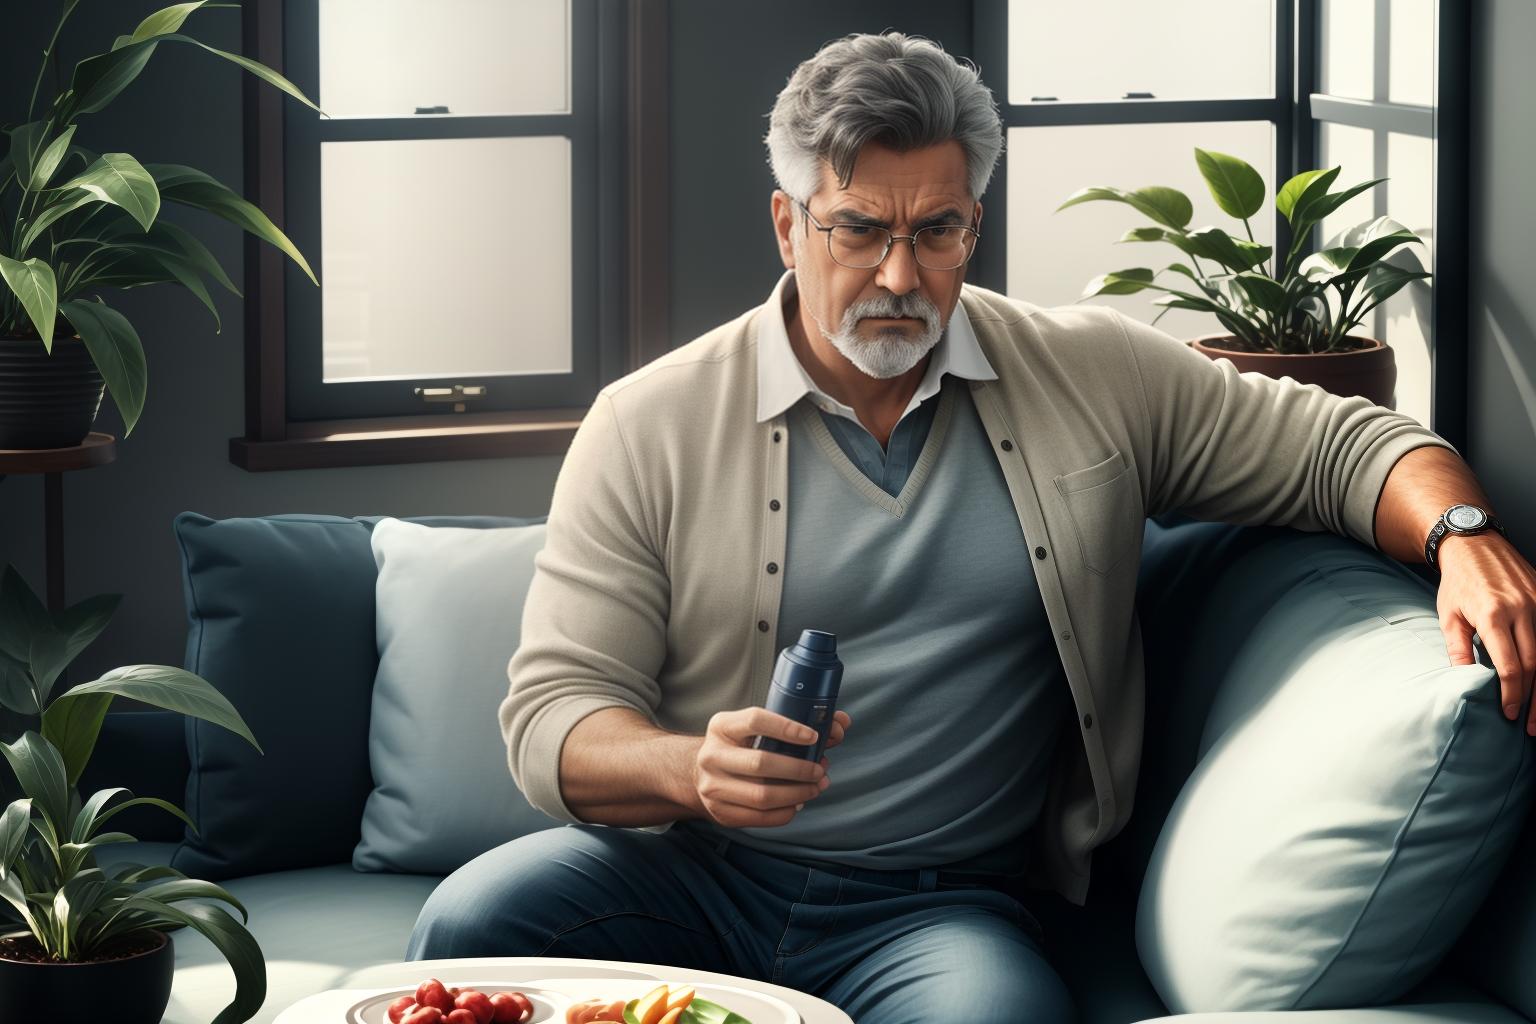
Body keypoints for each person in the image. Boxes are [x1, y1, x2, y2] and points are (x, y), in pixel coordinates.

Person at [407, 31, 1536, 1024]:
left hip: (937, 907)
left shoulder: (1089, 373)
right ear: (787, 225)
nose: (900, 275)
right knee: (472, 926)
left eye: (937, 231)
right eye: (858, 230)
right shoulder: (646, 421)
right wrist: (689, 769)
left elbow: (1341, 446)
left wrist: (1465, 531)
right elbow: (551, 722)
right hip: (694, 871)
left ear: (974, 223)